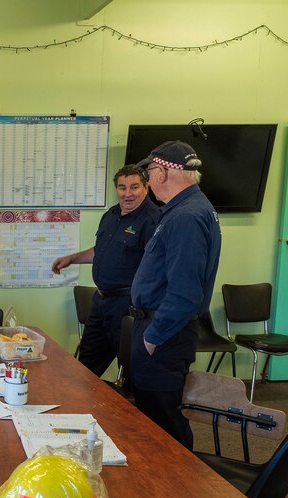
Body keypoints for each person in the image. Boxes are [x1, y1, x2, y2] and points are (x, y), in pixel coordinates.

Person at [129, 141, 221, 449]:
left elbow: (184, 292)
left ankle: (181, 492)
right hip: (161, 329)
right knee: (152, 420)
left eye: (150, 171)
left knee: (162, 423)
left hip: (164, 334)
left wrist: (152, 338)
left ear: (164, 172)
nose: (149, 178)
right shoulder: (185, 210)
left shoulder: (186, 217)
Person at [52, 165, 159, 377]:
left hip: (129, 306)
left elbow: (155, 266)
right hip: (101, 302)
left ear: (146, 188)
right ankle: (82, 408)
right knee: (84, 369)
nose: (127, 193)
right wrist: (72, 258)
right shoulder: (111, 215)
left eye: (134, 187)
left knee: (130, 371)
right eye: (122, 187)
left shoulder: (152, 219)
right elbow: (100, 252)